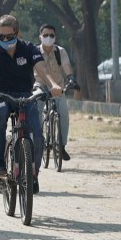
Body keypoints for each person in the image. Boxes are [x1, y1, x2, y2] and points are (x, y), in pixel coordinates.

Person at [0, 15, 62, 194]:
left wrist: (53, 84)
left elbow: (42, 69)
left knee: (37, 133)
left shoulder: (28, 48)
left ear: (18, 33)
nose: (5, 40)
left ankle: (33, 173)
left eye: (10, 37)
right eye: (1, 37)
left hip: (25, 95)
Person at [34, 24, 80, 161]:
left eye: (51, 35)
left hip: (58, 87)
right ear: (40, 37)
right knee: (36, 112)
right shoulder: (34, 51)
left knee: (63, 114)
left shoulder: (60, 51)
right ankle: (37, 142)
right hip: (40, 86)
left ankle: (61, 146)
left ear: (55, 37)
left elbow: (66, 66)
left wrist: (71, 78)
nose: (48, 38)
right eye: (45, 35)